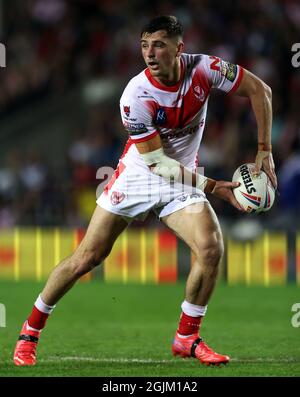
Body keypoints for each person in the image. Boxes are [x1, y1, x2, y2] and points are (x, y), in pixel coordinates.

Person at [13, 15, 277, 367]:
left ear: (179, 48)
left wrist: (264, 150)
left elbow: (261, 91)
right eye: (144, 46)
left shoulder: (206, 69)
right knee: (88, 257)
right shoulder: (136, 95)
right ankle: (30, 332)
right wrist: (214, 187)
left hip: (181, 178)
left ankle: (187, 338)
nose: (150, 53)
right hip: (141, 173)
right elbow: (157, 164)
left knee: (211, 248)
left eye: (159, 45)